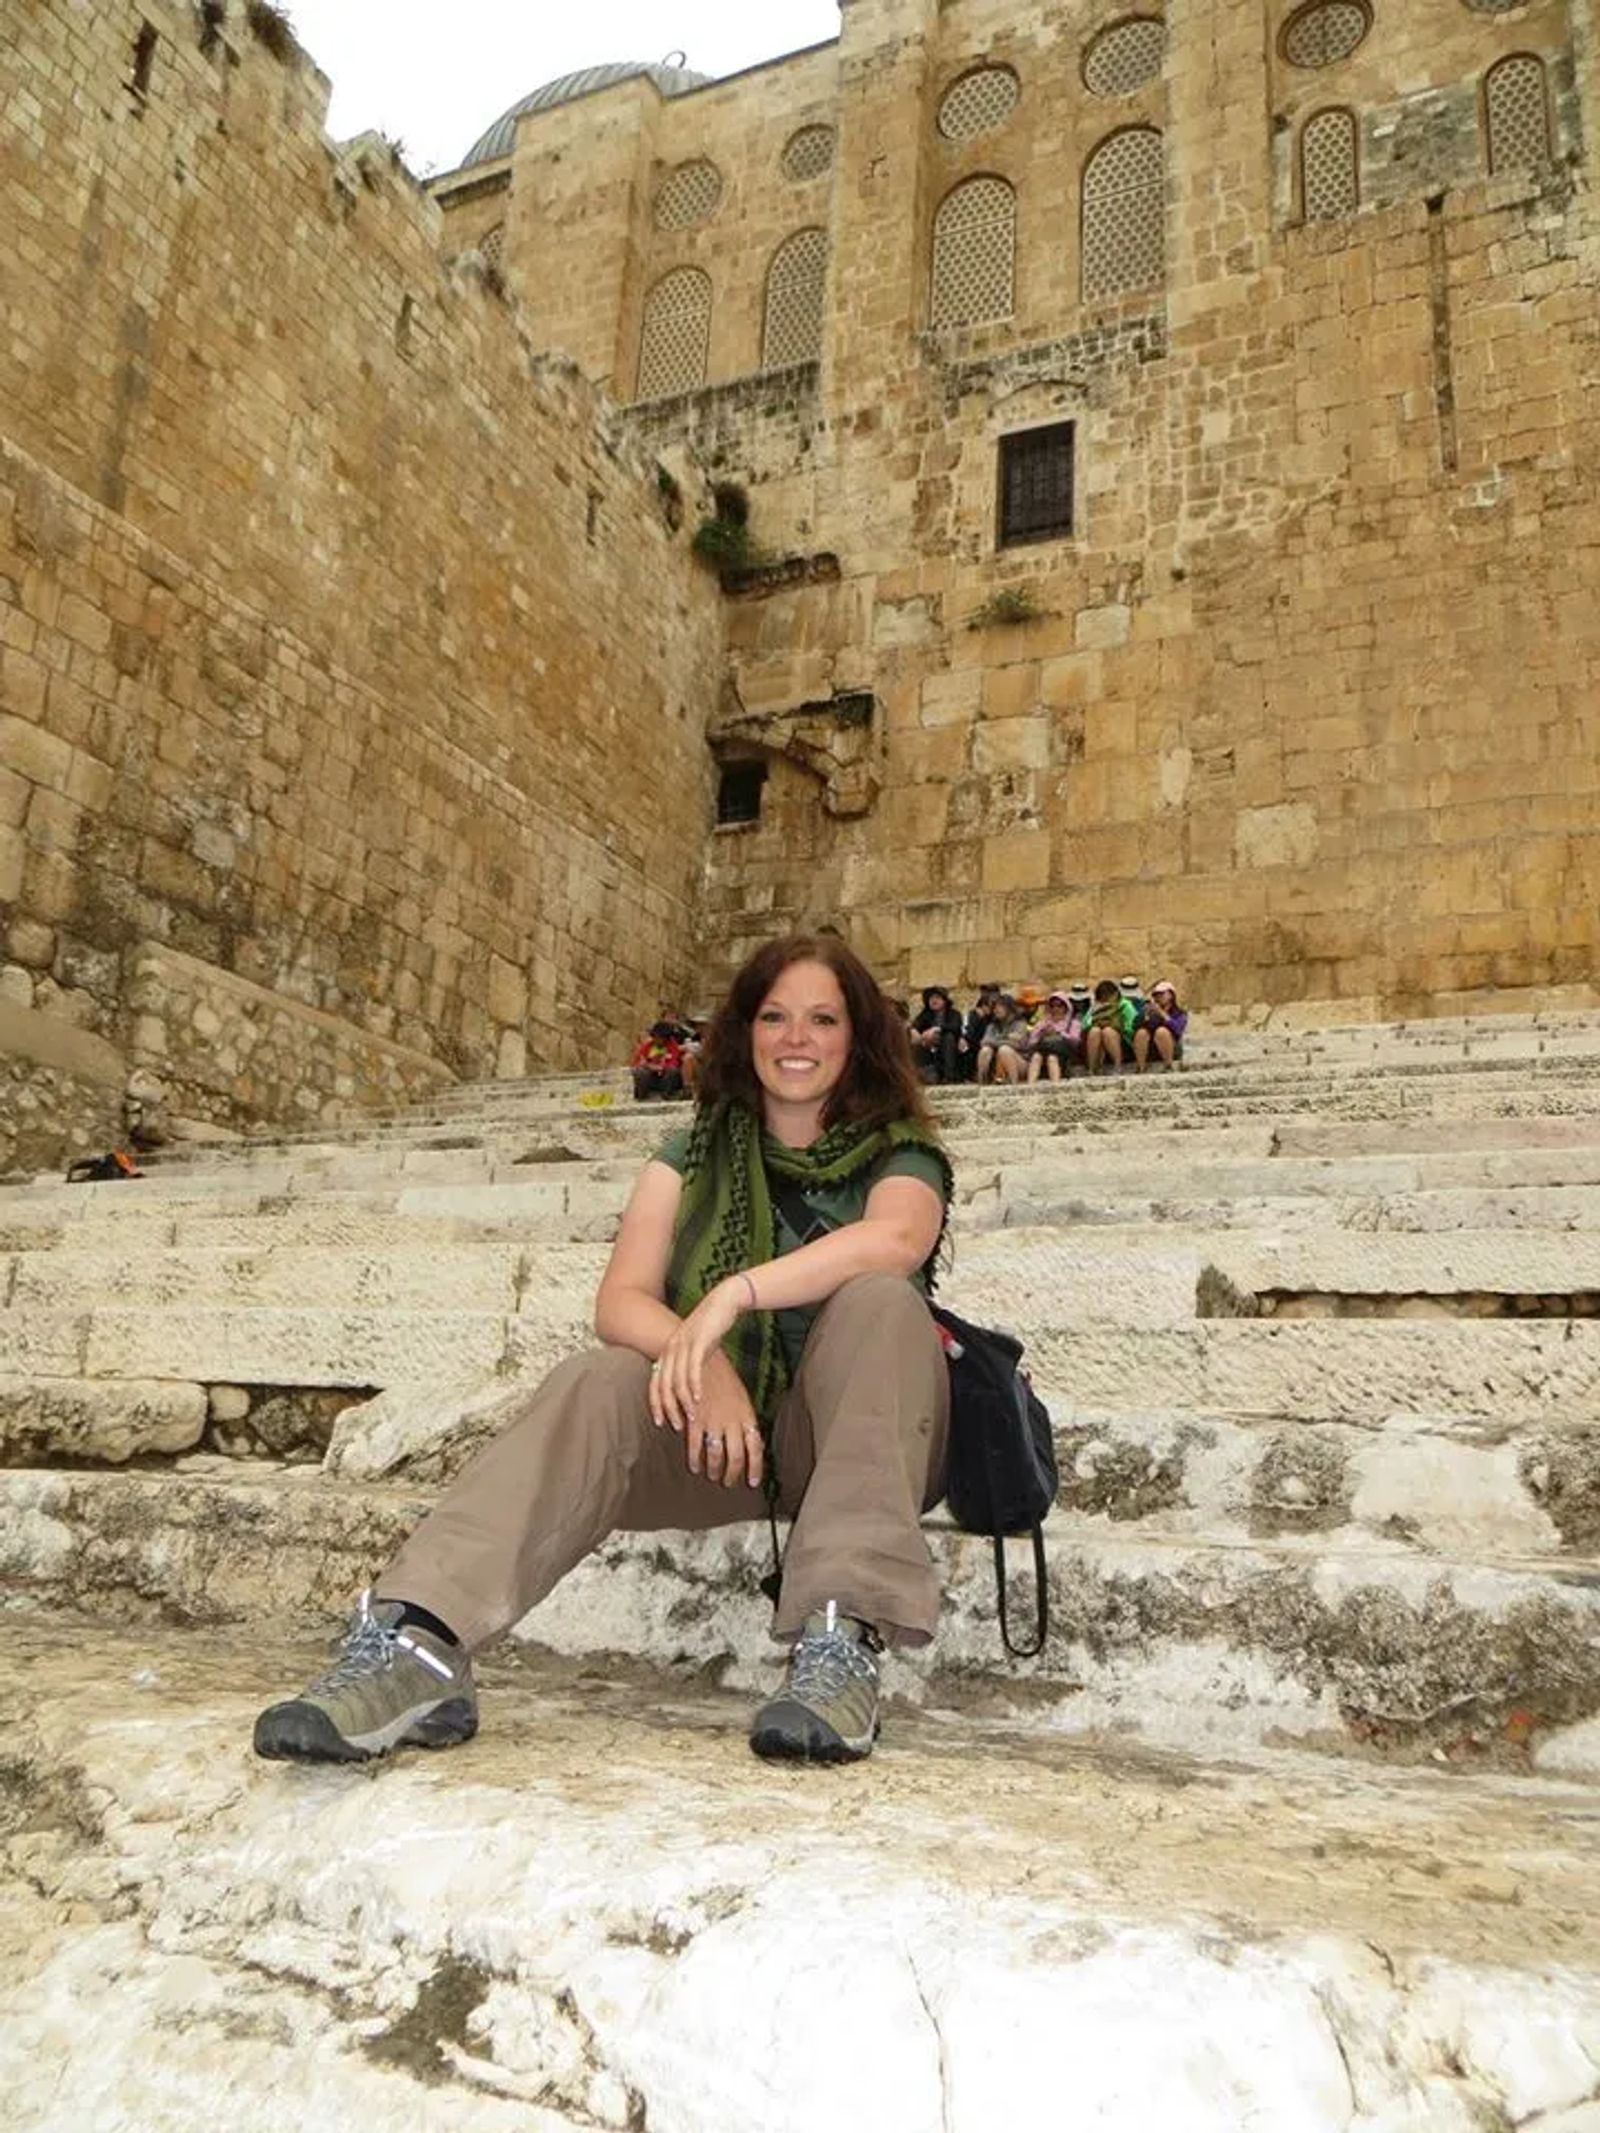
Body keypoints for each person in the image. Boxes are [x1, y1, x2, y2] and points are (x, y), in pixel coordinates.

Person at [252, 933, 954, 1768]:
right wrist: (710, 1362)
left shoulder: (899, 1149)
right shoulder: (686, 1159)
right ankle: (421, 1641)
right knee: (600, 1378)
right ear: (744, 1030)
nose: (796, 1037)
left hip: (861, 1434)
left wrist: (732, 1295)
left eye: (822, 1018)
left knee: (877, 1301)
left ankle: (841, 1641)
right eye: (775, 1015)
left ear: (856, 1036)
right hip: (721, 1438)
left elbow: (899, 1238)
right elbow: (619, 1302)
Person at [910, 984, 964, 1085]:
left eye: (937, 998)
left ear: (944, 1001)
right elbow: (916, 1026)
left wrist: (937, 1029)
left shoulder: (954, 1013)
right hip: (930, 1048)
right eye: (931, 998)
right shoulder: (925, 1014)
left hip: (950, 1048)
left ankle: (949, 1077)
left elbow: (955, 1027)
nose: (933, 1001)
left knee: (948, 1038)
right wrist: (915, 1032)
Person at [1026, 989, 1083, 1082]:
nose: (1055, 1009)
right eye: (1052, 1006)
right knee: (1036, 1056)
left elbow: (1075, 1041)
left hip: (1063, 1055)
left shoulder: (1073, 1023)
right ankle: (1030, 1087)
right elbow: (1031, 1042)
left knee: (1052, 1058)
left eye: (1059, 1005)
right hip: (1043, 1051)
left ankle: (1055, 1087)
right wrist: (1041, 1034)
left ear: (1066, 1007)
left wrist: (1059, 1033)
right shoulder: (1042, 1023)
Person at [1082, 978, 1136, 1072]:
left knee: (1108, 1032)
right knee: (1095, 1032)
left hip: (1122, 1040)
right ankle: (1092, 1067)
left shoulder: (1125, 1005)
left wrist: (1117, 1027)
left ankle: (1117, 1066)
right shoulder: (1094, 1007)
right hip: (1098, 1038)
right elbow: (1085, 1025)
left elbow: (1132, 1025)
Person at [1133, 979, 1188, 1070]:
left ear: (1171, 995)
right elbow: (1134, 1026)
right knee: (1141, 1033)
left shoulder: (1179, 1013)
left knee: (1161, 1032)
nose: (1158, 997)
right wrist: (1144, 1015)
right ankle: (1140, 1067)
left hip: (1171, 1047)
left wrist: (1162, 1014)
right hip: (1151, 1048)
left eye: (1162, 994)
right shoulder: (1150, 1010)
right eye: (1156, 995)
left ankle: (1168, 1066)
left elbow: (1178, 1029)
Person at [631, 1018, 687, 1101]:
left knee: (672, 1071)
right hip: (651, 1076)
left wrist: (659, 1067)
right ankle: (642, 1096)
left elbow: (674, 1063)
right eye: (655, 1037)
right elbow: (636, 1063)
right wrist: (649, 1066)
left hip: (665, 1078)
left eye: (659, 1037)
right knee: (640, 1072)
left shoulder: (673, 1046)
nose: (657, 1040)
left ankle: (666, 1096)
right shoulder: (647, 1046)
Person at [961, 983, 1001, 1081]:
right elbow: (969, 1033)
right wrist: (979, 1018)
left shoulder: (1000, 1011)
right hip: (976, 1044)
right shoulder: (974, 1014)